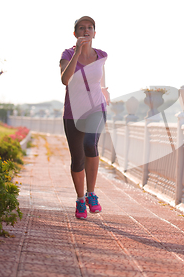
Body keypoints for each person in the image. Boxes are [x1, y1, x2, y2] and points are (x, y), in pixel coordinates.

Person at [59, 16, 110, 219]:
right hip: (73, 112)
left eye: (90, 28)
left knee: (91, 144)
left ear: (95, 33)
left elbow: (100, 79)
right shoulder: (67, 54)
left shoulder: (102, 55)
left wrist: (106, 94)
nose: (86, 31)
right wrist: (78, 53)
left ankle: (91, 194)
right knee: (77, 159)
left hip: (96, 108)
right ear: (75, 33)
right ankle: (80, 199)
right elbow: (65, 79)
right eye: (82, 28)